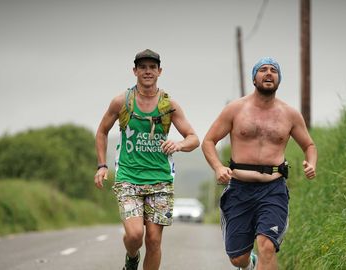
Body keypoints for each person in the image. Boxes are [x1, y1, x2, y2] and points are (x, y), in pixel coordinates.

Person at [201, 57, 317, 270]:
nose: (269, 73)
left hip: (273, 190)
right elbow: (208, 141)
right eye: (263, 70)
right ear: (254, 78)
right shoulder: (235, 109)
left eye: (274, 70)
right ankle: (249, 264)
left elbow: (309, 145)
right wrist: (218, 167)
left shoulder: (290, 114)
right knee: (238, 258)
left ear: (279, 79)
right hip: (239, 189)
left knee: (267, 246)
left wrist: (311, 163)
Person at [94, 49, 200, 270]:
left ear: (159, 71)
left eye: (152, 67)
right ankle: (131, 258)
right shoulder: (122, 101)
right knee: (135, 236)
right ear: (135, 71)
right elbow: (102, 131)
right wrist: (102, 165)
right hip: (128, 179)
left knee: (153, 240)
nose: (148, 71)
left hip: (160, 180)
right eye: (143, 67)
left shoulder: (168, 105)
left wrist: (179, 145)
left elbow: (193, 138)